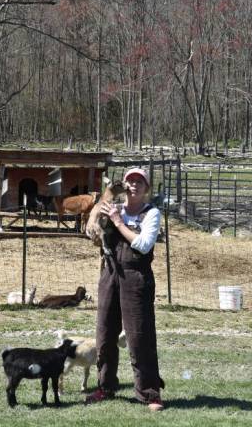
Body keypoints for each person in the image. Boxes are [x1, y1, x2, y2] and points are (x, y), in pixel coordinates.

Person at [86, 168, 165, 412]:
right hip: (110, 273)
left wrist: (118, 223)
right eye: (130, 181)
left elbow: (142, 244)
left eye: (139, 182)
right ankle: (105, 387)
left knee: (139, 336)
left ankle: (149, 394)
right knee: (105, 335)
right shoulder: (112, 207)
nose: (133, 185)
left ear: (146, 188)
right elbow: (91, 227)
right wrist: (94, 225)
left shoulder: (151, 214)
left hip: (136, 277)